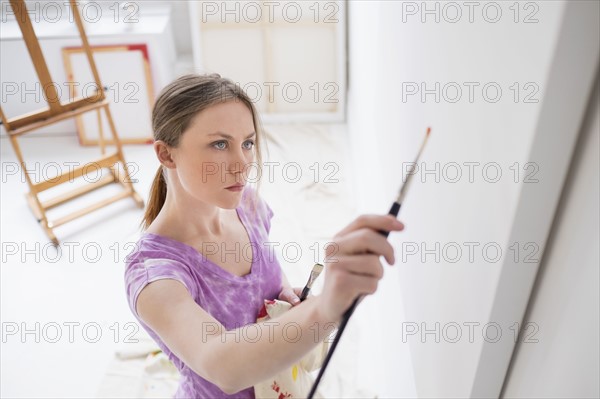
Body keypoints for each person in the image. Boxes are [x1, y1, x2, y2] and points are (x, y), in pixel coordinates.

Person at [124, 73, 404, 398]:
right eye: (219, 144)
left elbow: (269, 282)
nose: (243, 164)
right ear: (167, 154)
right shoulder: (155, 274)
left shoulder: (248, 206)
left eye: (248, 142)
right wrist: (326, 307)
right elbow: (223, 366)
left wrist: (286, 298)